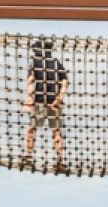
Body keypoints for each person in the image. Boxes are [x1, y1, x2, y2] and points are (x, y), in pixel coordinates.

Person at [23, 37, 67, 170]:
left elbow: (30, 81)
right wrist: (59, 98)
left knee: (32, 129)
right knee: (57, 131)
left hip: (40, 102)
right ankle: (59, 160)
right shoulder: (56, 63)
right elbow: (64, 83)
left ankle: (29, 157)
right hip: (54, 103)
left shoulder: (35, 63)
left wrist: (30, 97)